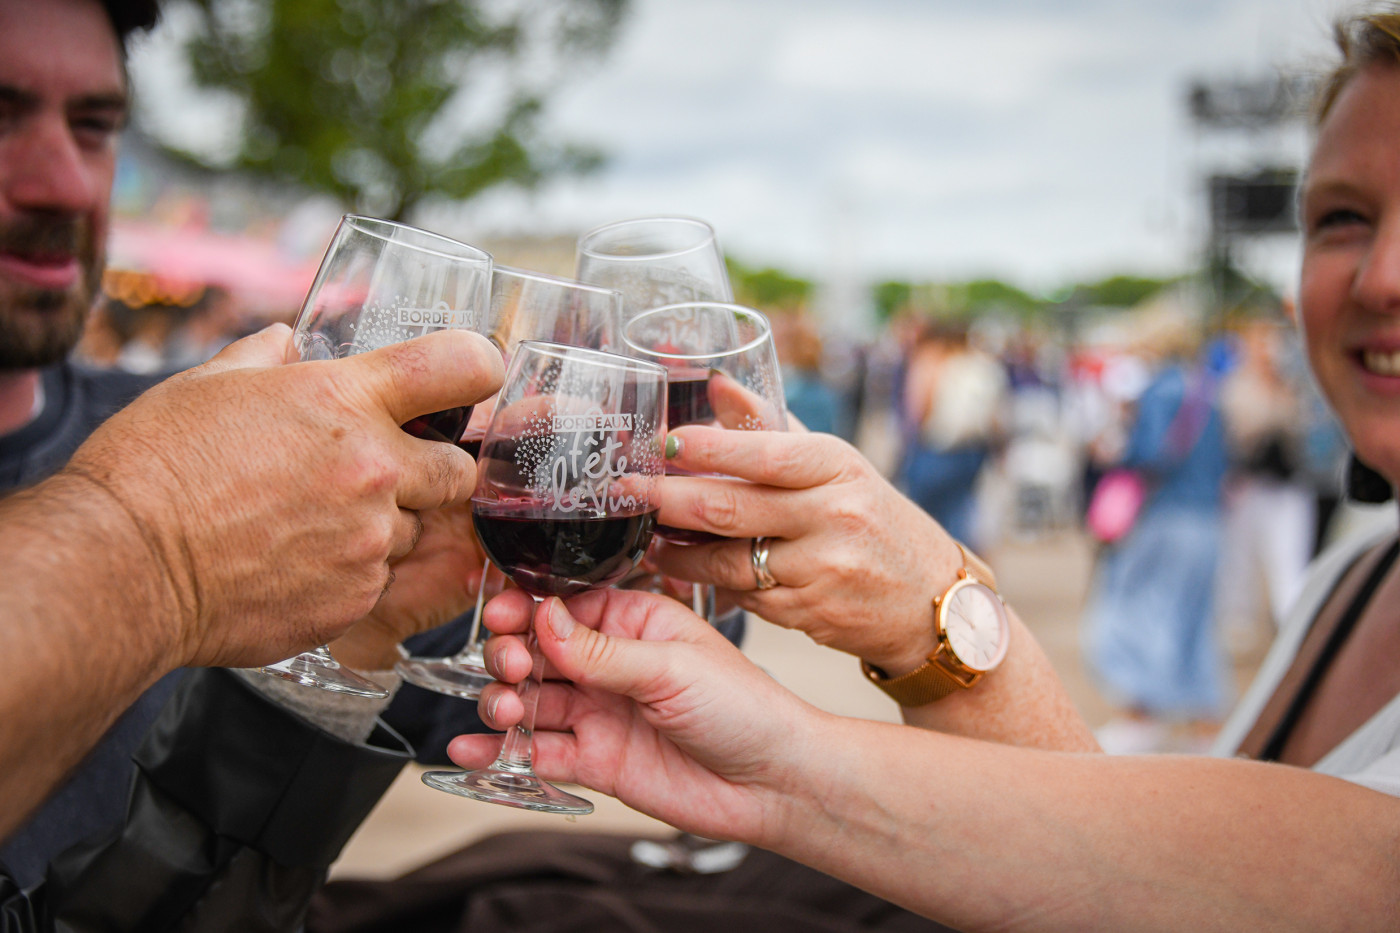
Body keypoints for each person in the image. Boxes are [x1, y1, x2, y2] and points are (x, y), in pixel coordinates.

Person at [454, 6, 1400, 928]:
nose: (1383, 275)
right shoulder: (1350, 583)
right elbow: (1112, 863)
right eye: (1344, 217)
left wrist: (927, 608)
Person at [0, 0, 505, 926]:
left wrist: (360, 635)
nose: (63, 182)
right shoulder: (177, 464)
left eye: (96, 126)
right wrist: (161, 548)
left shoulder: (201, 431)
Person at [1081, 319, 1231, 753]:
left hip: (1166, 513)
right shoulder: (1210, 391)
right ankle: (1207, 723)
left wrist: (1115, 451)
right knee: (1196, 618)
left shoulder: (1162, 391)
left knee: (1144, 608)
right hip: (1207, 517)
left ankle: (1142, 713)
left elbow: (1151, 455)